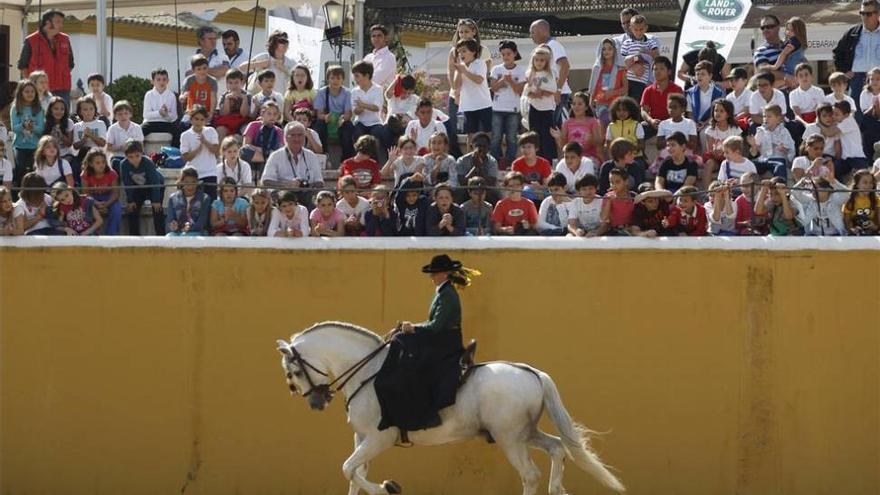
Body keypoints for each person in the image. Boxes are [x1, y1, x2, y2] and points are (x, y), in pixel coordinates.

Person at [376, 254, 479, 433]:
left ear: (445, 274)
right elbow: (433, 323)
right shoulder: (443, 292)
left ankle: (428, 413)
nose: (431, 277)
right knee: (402, 339)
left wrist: (413, 328)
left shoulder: (448, 295)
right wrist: (408, 327)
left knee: (414, 363)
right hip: (440, 339)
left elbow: (437, 325)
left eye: (435, 273)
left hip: (445, 343)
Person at [261, 122, 325, 208]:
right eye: (293, 135)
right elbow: (266, 181)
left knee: (319, 197)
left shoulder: (311, 156)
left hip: (306, 194)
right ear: (285, 137)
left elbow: (319, 182)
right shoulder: (276, 156)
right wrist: (286, 185)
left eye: (300, 135)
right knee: (278, 196)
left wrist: (306, 185)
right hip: (284, 193)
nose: (297, 138)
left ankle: (312, 221)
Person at [18, 10, 74, 104]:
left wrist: (60, 75)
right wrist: (30, 86)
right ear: (48, 23)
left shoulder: (65, 39)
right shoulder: (31, 40)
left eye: (61, 22)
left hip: (63, 89)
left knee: (62, 117)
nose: (61, 25)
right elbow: (23, 66)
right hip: (39, 90)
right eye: (58, 22)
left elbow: (70, 64)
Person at [832, 0, 880, 100]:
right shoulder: (852, 33)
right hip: (857, 80)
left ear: (878, 13)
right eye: (862, 13)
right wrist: (844, 72)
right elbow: (837, 53)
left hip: (878, 78)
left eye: (868, 14)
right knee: (856, 114)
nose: (865, 17)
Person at [489, 40, 526, 166]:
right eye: (503, 54)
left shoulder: (521, 70)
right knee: (496, 138)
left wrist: (511, 82)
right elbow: (493, 88)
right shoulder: (496, 69)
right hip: (497, 109)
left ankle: (510, 164)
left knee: (512, 138)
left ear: (515, 53)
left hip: (513, 110)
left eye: (508, 54)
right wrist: (502, 81)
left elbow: (521, 91)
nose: (506, 57)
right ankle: (495, 162)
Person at [529, 19, 572, 125]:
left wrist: (558, 89)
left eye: (532, 32)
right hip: (545, 95)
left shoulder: (553, 45)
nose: (531, 35)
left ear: (543, 30)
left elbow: (565, 66)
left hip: (556, 94)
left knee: (552, 129)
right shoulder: (542, 48)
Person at [119, 140, 165, 235]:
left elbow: (155, 182)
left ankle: (161, 235)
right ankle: (134, 237)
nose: (134, 159)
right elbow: (127, 183)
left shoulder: (148, 162)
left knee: (157, 210)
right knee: (132, 210)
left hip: (155, 187)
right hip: (138, 189)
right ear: (126, 157)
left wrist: (156, 200)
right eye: (130, 157)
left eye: (137, 156)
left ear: (141, 153)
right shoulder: (124, 165)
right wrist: (130, 200)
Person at [10, 80, 46, 191]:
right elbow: (14, 128)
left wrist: (32, 128)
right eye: (26, 91)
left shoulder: (38, 109)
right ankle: (19, 194)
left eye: (32, 91)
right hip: (20, 146)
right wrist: (23, 125)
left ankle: (35, 193)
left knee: (34, 171)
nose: (30, 94)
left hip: (35, 147)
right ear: (21, 93)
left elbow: (41, 130)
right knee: (20, 170)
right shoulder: (15, 108)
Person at [524, 45, 558, 160]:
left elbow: (553, 89)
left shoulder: (550, 73)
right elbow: (527, 91)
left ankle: (548, 161)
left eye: (542, 60)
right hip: (534, 107)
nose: (539, 62)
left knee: (547, 137)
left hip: (547, 109)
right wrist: (534, 94)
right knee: (535, 136)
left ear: (547, 61)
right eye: (536, 60)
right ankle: (535, 159)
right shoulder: (529, 73)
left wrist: (542, 92)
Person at [314, 65, 355, 160]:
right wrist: (324, 117)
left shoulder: (347, 93)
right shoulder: (322, 92)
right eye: (332, 78)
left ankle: (346, 159)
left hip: (341, 120)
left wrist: (343, 118)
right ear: (328, 79)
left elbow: (348, 113)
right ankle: (322, 156)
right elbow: (319, 114)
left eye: (338, 78)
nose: (335, 81)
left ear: (343, 80)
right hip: (327, 119)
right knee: (319, 126)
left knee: (348, 128)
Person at [180, 105, 221, 200]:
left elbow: (216, 151)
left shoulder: (211, 131)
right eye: (196, 119)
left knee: (211, 204)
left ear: (205, 121)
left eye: (202, 119)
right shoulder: (185, 135)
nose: (199, 122)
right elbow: (186, 157)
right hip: (193, 176)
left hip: (210, 173)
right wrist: (198, 149)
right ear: (191, 119)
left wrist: (205, 142)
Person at [454, 39, 493, 138]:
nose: (461, 54)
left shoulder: (480, 63)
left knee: (487, 134)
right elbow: (456, 86)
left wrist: (464, 71)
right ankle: (470, 153)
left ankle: (488, 153)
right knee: (470, 136)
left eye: (464, 51)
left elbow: (479, 80)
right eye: (459, 52)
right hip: (467, 106)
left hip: (483, 105)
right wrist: (459, 71)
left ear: (473, 52)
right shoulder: (460, 67)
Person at [551, 91, 603, 163]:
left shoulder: (593, 122)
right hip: (571, 157)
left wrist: (590, 140)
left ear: (586, 107)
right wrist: (559, 137)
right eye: (574, 104)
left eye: (580, 104)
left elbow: (599, 143)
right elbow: (563, 145)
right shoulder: (567, 123)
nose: (576, 106)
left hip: (588, 157)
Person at [351, 61, 391, 151]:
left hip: (375, 123)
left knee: (377, 135)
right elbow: (355, 111)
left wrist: (363, 105)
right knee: (357, 134)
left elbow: (377, 108)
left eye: (357, 76)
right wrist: (360, 109)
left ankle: (374, 161)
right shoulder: (354, 91)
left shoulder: (378, 89)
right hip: (360, 122)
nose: (355, 79)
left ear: (367, 76)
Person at [80, 148, 121, 235]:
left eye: (103, 162)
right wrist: (96, 203)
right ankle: (92, 234)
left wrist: (106, 204)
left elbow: (116, 193)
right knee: (86, 206)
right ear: (91, 164)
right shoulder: (85, 174)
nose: (101, 165)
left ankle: (112, 234)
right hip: (92, 198)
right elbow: (85, 193)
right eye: (97, 163)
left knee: (117, 208)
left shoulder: (112, 173)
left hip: (108, 197)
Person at [640, 56, 683, 139]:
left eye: (661, 69)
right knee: (639, 129)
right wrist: (651, 121)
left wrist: (667, 122)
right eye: (655, 69)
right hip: (653, 123)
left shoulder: (677, 89)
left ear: (669, 71)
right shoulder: (648, 90)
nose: (657, 72)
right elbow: (643, 111)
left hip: (672, 123)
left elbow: (681, 110)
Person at [748, 104, 795, 180]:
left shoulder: (783, 131)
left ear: (778, 118)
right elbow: (754, 153)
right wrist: (753, 145)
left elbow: (791, 151)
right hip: (763, 159)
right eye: (764, 116)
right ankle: (750, 187)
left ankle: (781, 185)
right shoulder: (760, 131)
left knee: (780, 166)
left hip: (778, 159)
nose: (766, 119)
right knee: (751, 165)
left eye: (769, 116)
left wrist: (784, 149)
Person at [702, 100, 741, 190]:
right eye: (716, 111)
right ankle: (707, 193)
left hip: (731, 156)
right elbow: (710, 149)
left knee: (731, 162)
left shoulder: (735, 129)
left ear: (728, 114)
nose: (717, 113)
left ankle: (732, 191)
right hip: (715, 158)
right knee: (709, 163)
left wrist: (726, 152)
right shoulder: (710, 130)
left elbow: (738, 147)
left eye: (721, 111)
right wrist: (716, 152)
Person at [239, 30, 293, 95]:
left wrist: (285, 69)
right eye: (282, 41)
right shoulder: (264, 57)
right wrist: (260, 64)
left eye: (287, 41)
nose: (285, 44)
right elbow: (242, 67)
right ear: (274, 43)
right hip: (259, 100)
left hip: (280, 100)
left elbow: (301, 78)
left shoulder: (290, 62)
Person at [241, 101, 284, 181]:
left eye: (275, 114)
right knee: (244, 151)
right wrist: (264, 151)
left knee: (270, 162)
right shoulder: (253, 125)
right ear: (262, 114)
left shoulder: (279, 131)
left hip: (271, 159)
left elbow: (280, 150)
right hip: (256, 155)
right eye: (269, 113)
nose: (272, 117)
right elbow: (246, 145)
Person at [620, 15, 658, 102]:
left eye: (641, 29)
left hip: (641, 82)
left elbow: (656, 55)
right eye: (635, 30)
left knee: (637, 105)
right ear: (631, 28)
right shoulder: (627, 43)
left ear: (646, 28)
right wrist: (636, 59)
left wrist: (644, 53)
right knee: (626, 105)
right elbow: (622, 62)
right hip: (627, 81)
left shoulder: (650, 42)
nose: (638, 32)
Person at [591, 38, 628, 127]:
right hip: (600, 102)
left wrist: (612, 93)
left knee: (613, 126)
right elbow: (593, 87)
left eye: (610, 48)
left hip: (616, 104)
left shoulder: (620, 68)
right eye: (603, 49)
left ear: (615, 50)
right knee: (604, 122)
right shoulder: (597, 68)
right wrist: (591, 101)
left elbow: (625, 88)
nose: (606, 51)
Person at [166, 167, 212, 236]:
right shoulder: (173, 198)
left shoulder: (205, 198)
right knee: (170, 236)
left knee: (185, 236)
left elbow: (202, 222)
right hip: (178, 231)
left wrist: (189, 228)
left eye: (193, 182)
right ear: (181, 182)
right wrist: (173, 226)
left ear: (197, 182)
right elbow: (169, 220)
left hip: (197, 232)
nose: (190, 186)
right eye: (186, 182)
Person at [142, 68, 181, 148]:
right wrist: (159, 113)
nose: (161, 82)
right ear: (152, 81)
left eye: (164, 79)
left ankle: (173, 155)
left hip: (166, 123)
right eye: (158, 79)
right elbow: (146, 115)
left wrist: (166, 115)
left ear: (168, 81)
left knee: (178, 131)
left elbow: (174, 117)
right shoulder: (149, 95)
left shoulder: (171, 95)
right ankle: (140, 154)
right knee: (139, 131)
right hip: (151, 123)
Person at [455, 133, 499, 203]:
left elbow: (491, 184)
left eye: (484, 146)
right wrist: (474, 168)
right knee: (458, 193)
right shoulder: (462, 160)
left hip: (485, 189)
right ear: (472, 146)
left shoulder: (492, 161)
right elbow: (462, 183)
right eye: (478, 146)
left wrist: (480, 168)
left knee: (495, 194)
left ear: (489, 148)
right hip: (467, 189)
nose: (481, 149)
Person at [753, 15, 794, 89]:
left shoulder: (789, 46)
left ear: (778, 27)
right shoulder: (760, 51)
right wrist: (786, 77)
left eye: (769, 27)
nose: (765, 30)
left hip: (795, 93)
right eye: (763, 28)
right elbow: (764, 72)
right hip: (776, 94)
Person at [492, 171, 538, 235]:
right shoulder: (501, 204)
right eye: (511, 186)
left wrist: (528, 226)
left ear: (522, 187)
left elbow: (535, 226)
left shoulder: (529, 204)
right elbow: (496, 228)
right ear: (506, 188)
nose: (514, 188)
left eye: (517, 185)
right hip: (508, 236)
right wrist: (504, 229)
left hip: (524, 235)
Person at [685, 61, 724, 133]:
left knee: (705, 133)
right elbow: (690, 113)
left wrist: (705, 124)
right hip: (694, 124)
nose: (699, 76)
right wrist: (694, 125)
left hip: (711, 123)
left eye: (703, 74)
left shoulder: (718, 93)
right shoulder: (690, 93)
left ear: (710, 76)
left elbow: (718, 113)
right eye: (697, 74)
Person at [512, 131, 552, 202]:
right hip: (525, 192)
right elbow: (516, 184)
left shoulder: (544, 163)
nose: (526, 150)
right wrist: (533, 188)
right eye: (523, 147)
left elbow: (547, 184)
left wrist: (539, 188)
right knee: (527, 191)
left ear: (536, 148)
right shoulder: (516, 164)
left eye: (529, 147)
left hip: (541, 190)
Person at [212, 69, 251, 141]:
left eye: (236, 82)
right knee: (220, 130)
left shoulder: (247, 95)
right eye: (230, 83)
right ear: (226, 83)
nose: (233, 86)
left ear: (242, 82)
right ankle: (220, 151)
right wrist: (227, 100)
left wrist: (244, 99)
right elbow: (223, 113)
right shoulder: (224, 95)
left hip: (242, 122)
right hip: (227, 121)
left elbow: (244, 114)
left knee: (247, 130)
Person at [180, 55, 219, 126]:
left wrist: (211, 113)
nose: (202, 71)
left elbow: (213, 98)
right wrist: (182, 98)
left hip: (206, 112)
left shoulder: (212, 81)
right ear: (193, 70)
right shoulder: (189, 80)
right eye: (199, 69)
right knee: (182, 126)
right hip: (191, 112)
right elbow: (183, 95)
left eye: (204, 68)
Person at [106, 101, 144, 167]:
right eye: (120, 114)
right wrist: (120, 147)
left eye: (126, 113)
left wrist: (130, 147)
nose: (123, 116)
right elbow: (108, 147)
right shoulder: (112, 128)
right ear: (115, 116)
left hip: (134, 157)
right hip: (119, 156)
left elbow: (141, 145)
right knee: (116, 162)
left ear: (130, 114)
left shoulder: (137, 127)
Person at [598, 167, 634, 235]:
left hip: (631, 230)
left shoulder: (633, 196)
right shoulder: (607, 196)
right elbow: (603, 217)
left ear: (626, 182)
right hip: (614, 231)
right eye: (611, 182)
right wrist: (609, 201)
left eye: (617, 182)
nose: (613, 185)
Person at [843, 169, 879, 235]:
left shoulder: (876, 200)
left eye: (871, 183)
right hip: (856, 234)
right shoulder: (849, 200)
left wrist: (874, 226)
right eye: (865, 182)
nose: (868, 185)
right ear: (857, 185)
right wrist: (853, 229)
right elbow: (847, 222)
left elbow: (878, 222)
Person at [789, 63, 825, 127]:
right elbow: (797, 114)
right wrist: (805, 124)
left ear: (811, 76)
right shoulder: (793, 94)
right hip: (801, 121)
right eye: (801, 75)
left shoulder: (819, 91)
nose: (804, 78)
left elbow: (820, 111)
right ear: (796, 78)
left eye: (806, 75)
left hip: (817, 119)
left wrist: (814, 124)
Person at [363, 24, 397, 89]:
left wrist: (361, 79)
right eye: (373, 36)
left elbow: (376, 79)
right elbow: (356, 75)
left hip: (381, 97)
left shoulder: (389, 57)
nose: (376, 39)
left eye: (379, 36)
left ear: (386, 38)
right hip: (364, 95)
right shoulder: (368, 57)